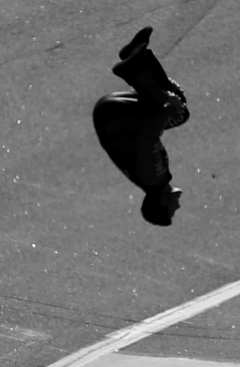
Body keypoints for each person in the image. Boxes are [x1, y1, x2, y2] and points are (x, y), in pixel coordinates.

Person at [93, 27, 190, 226]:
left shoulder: (153, 178)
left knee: (177, 112)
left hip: (113, 117)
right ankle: (136, 56)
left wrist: (169, 110)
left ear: (162, 202)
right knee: (174, 107)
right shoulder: (153, 181)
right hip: (111, 116)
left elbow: (147, 138)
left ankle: (134, 66)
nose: (178, 207)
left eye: (172, 211)